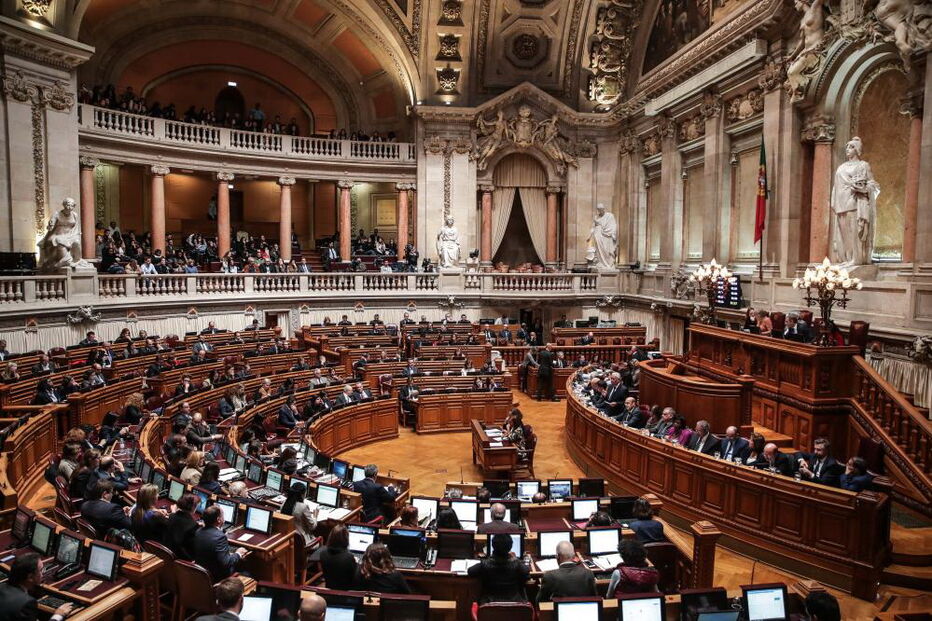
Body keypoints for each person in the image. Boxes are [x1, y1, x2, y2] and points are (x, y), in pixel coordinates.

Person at [0, 552, 74, 620]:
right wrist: (58, 615)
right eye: (41, 570)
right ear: (30, 577)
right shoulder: (26, 603)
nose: (42, 574)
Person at [467, 533, 530, 604]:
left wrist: (488, 558)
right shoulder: (516, 564)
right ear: (510, 547)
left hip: (489, 604)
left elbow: (470, 571)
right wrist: (515, 559)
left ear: (493, 546)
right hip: (514, 604)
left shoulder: (485, 564)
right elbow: (526, 571)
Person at [193, 505, 247, 581]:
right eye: (223, 516)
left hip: (200, 573)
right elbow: (226, 563)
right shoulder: (220, 537)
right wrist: (238, 553)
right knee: (247, 572)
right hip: (217, 577)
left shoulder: (198, 531)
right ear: (218, 520)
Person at [319, 524, 357, 590]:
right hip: (345, 591)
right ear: (346, 539)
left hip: (330, 588)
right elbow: (353, 577)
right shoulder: (349, 557)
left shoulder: (322, 553)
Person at [165, 493, 200, 560]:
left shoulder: (172, 516)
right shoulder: (193, 526)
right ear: (193, 507)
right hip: (180, 559)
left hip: (167, 553)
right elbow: (192, 549)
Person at [282, 482, 319, 546]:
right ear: (302, 494)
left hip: (289, 540)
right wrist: (315, 516)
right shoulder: (303, 507)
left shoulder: (284, 503)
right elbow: (312, 526)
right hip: (303, 542)